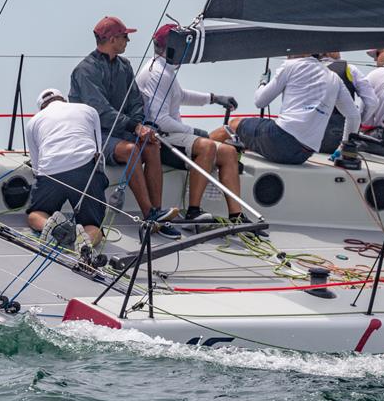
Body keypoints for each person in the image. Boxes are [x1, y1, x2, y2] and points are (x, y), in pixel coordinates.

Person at [69, 16, 180, 239]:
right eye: (124, 36)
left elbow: (135, 100)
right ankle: (149, 215)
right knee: (131, 151)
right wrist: (134, 126)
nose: (128, 40)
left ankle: (157, 212)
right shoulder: (85, 70)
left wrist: (141, 124)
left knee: (152, 144)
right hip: (96, 135)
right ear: (112, 39)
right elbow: (100, 110)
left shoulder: (124, 65)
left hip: (120, 131)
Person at [137, 23, 257, 229]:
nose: (187, 51)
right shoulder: (157, 73)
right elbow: (159, 120)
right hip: (159, 139)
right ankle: (193, 212)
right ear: (173, 47)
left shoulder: (165, 69)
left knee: (228, 153)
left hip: (172, 135)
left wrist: (213, 98)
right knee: (207, 146)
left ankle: (236, 216)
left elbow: (180, 95)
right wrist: (197, 132)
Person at [211, 54, 359, 165]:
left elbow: (260, 101)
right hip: (304, 154)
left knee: (232, 126)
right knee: (251, 138)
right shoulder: (334, 78)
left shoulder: (291, 65)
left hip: (280, 140)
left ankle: (196, 155)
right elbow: (354, 116)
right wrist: (343, 147)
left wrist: (263, 83)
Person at [25, 88, 109, 250]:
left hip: (51, 171)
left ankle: (51, 226)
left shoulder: (33, 122)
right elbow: (98, 151)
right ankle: (85, 244)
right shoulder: (88, 110)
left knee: (35, 214)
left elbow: (36, 168)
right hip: (85, 168)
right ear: (64, 100)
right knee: (93, 225)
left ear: (42, 107)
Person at [318, 52, 380, 153]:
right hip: (341, 140)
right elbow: (372, 102)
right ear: (331, 51)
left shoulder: (305, 68)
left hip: (308, 140)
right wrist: (358, 123)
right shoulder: (350, 69)